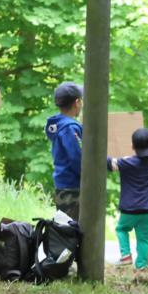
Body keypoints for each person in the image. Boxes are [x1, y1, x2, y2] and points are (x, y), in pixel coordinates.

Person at [107, 128, 148, 270]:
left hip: (131, 209)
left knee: (121, 229)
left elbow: (109, 163)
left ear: (132, 146)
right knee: (144, 240)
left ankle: (126, 256)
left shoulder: (126, 163)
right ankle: (141, 267)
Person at [45, 82, 83, 221]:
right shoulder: (70, 128)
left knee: (67, 229)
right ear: (77, 102)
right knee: (71, 232)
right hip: (72, 189)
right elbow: (77, 158)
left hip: (63, 186)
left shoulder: (61, 125)